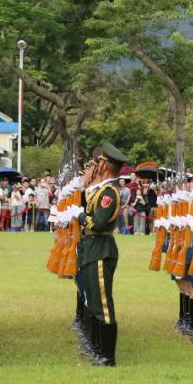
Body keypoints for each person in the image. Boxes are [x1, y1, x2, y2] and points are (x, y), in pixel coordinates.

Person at [77, 142, 126, 366]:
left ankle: (108, 357)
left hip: (101, 249)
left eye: (100, 162)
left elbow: (98, 223)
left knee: (102, 304)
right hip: (91, 248)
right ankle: (99, 350)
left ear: (105, 165)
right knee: (94, 302)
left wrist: (79, 216)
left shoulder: (109, 192)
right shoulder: (100, 190)